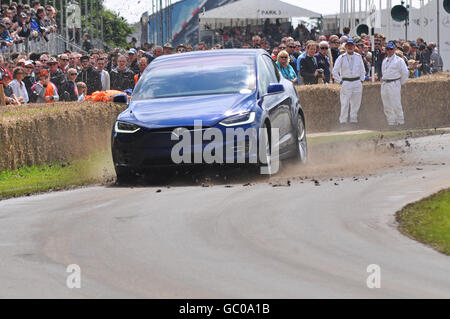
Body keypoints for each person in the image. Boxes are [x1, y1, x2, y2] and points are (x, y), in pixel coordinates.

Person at [332, 38, 366, 127]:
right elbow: (335, 71)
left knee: (356, 103)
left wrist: (361, 80)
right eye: (348, 45)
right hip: (346, 81)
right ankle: (343, 122)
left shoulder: (358, 57)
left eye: (351, 45)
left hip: (357, 81)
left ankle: (353, 121)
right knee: (344, 103)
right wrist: (340, 81)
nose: (350, 47)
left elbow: (363, 70)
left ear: (354, 46)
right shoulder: (341, 57)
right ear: (346, 46)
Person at [380, 41, 409, 128]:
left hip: (394, 82)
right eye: (387, 49)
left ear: (395, 49)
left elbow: (405, 73)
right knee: (387, 104)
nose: (389, 51)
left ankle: (400, 122)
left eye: (391, 49)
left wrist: (400, 82)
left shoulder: (399, 60)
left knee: (396, 104)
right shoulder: (385, 60)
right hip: (385, 83)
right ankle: (391, 123)